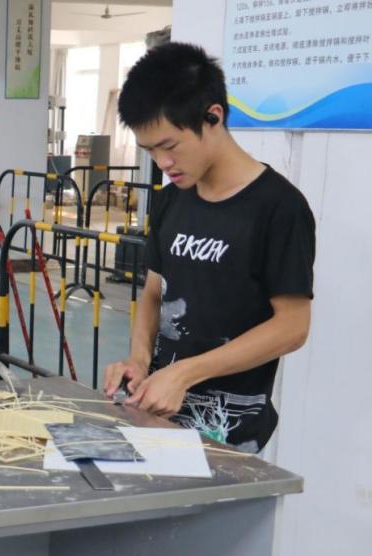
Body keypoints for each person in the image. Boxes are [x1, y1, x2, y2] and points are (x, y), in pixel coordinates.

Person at [103, 42, 315, 453]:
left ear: (212, 117)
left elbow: (292, 326)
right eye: (150, 151)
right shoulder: (170, 201)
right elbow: (154, 293)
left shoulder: (278, 208)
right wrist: (139, 360)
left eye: (170, 146)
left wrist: (185, 373)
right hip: (157, 415)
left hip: (230, 432)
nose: (162, 163)